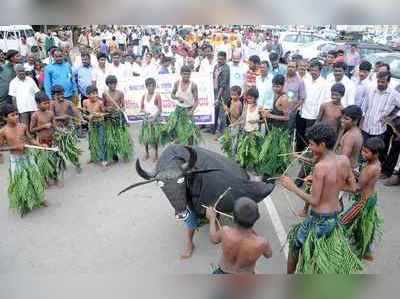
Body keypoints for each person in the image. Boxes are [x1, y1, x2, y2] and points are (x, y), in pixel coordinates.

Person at [280, 123, 362, 274]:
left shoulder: (321, 167)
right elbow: (353, 188)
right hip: (334, 217)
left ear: (322, 144)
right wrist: (332, 186)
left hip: (320, 220)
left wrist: (292, 187)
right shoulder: (344, 160)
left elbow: (314, 201)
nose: (309, 147)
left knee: (294, 245)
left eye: (311, 144)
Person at [341, 137, 384, 260]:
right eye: (363, 150)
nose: (362, 153)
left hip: (363, 201)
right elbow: (364, 180)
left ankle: (337, 251)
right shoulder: (375, 164)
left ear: (376, 154)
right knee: (361, 225)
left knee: (342, 222)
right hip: (371, 198)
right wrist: (352, 173)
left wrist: (337, 185)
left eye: (366, 152)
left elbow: (356, 188)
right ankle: (366, 252)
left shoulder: (370, 168)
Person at [0, 104, 46, 216]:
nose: (16, 117)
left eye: (17, 114)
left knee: (34, 177)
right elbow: (1, 147)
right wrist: (14, 147)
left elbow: (30, 139)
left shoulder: (23, 126)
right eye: (12, 115)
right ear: (5, 118)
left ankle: (39, 198)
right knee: (20, 182)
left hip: (27, 156)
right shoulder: (3, 131)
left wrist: (39, 145)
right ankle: (23, 204)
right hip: (16, 159)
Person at [205, 197, 272, 274]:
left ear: (233, 218)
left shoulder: (225, 232)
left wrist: (212, 219)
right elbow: (269, 255)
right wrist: (255, 235)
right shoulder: (262, 242)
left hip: (223, 272)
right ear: (256, 218)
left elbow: (213, 239)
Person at [361, 71, 400, 165]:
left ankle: (373, 172)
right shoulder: (371, 90)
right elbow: (364, 108)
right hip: (366, 128)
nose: (380, 84)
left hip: (379, 130)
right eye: (378, 81)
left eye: (383, 82)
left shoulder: (393, 94)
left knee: (374, 155)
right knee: (363, 152)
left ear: (388, 82)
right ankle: (361, 170)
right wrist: (360, 124)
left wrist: (392, 117)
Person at [30, 92, 66, 185]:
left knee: (53, 160)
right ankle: (45, 179)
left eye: (48, 103)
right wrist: (43, 126)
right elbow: (31, 130)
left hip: (52, 140)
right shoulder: (35, 115)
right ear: (38, 104)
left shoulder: (50, 113)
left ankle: (55, 178)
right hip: (42, 142)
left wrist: (62, 131)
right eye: (44, 103)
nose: (47, 105)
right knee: (43, 161)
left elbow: (54, 126)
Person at [296, 60, 330, 152]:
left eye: (315, 70)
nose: (313, 72)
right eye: (311, 70)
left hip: (314, 116)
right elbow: (300, 96)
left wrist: (319, 117)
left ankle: (308, 155)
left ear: (320, 71)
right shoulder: (305, 80)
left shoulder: (325, 84)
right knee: (300, 135)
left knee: (310, 137)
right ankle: (298, 154)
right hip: (302, 113)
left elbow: (325, 102)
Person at [102, 76, 134, 162]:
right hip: (109, 118)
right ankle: (114, 154)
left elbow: (123, 106)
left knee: (123, 136)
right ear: (107, 84)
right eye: (111, 83)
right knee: (111, 136)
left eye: (114, 83)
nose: (113, 85)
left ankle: (125, 153)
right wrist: (107, 109)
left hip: (119, 118)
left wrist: (121, 109)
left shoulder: (120, 93)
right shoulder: (105, 94)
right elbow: (103, 106)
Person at [168, 65, 200, 145]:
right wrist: (177, 98)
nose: (186, 76)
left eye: (188, 74)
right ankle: (179, 151)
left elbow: (196, 101)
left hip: (188, 110)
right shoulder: (177, 83)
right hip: (178, 110)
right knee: (177, 132)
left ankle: (190, 150)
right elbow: (172, 94)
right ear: (181, 74)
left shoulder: (193, 85)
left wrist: (192, 111)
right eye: (184, 74)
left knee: (190, 133)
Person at [82, 85, 108, 167]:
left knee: (101, 141)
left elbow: (105, 114)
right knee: (91, 142)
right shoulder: (85, 102)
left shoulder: (100, 102)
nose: (94, 95)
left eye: (96, 93)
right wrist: (86, 117)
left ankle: (104, 159)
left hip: (100, 123)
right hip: (91, 125)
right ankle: (93, 157)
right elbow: (84, 113)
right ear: (87, 95)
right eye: (92, 94)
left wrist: (96, 115)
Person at [8, 64, 39, 128]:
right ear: (15, 72)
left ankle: (36, 138)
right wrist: (16, 110)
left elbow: (37, 93)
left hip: (33, 107)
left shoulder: (30, 80)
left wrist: (38, 105)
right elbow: (13, 98)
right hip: (22, 109)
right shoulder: (13, 82)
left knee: (35, 125)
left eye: (23, 70)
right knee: (25, 127)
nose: (21, 72)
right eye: (19, 71)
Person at [140, 77, 162, 162]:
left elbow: (160, 110)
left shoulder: (157, 96)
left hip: (154, 120)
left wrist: (154, 117)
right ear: (146, 87)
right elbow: (141, 108)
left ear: (155, 86)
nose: (151, 88)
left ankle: (156, 153)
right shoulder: (144, 96)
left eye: (152, 86)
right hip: (146, 119)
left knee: (155, 137)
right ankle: (147, 153)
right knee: (146, 137)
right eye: (149, 86)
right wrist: (145, 112)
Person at [337, 105, 364, 170]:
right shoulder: (355, 131)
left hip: (345, 169)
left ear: (355, 121)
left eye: (346, 119)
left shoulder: (350, 137)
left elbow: (343, 160)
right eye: (342, 117)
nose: (342, 120)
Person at [285, 60, 306, 131]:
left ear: (296, 69)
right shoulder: (282, 77)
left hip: (290, 113)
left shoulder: (300, 81)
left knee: (287, 133)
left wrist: (293, 109)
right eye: (289, 66)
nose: (290, 68)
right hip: (279, 110)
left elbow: (302, 99)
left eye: (292, 67)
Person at [212, 51, 230, 136]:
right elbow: (213, 78)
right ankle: (213, 129)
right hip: (215, 91)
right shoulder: (216, 66)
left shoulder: (226, 68)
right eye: (218, 59)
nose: (219, 61)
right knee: (214, 111)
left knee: (222, 113)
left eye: (221, 59)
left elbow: (223, 85)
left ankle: (222, 132)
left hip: (223, 94)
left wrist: (218, 98)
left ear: (225, 59)